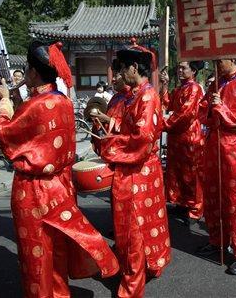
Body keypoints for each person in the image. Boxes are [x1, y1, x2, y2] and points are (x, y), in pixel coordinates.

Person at [0, 41, 119, 298]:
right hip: (60, 186)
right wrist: (17, 102)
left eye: (27, 69)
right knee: (56, 251)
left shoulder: (36, 105)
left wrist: (5, 104)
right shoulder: (60, 101)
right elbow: (34, 131)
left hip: (34, 190)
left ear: (34, 73)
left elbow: (6, 134)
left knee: (36, 255)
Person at [100, 48, 170, 297]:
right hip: (131, 168)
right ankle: (139, 268)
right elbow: (130, 129)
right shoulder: (133, 96)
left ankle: (132, 286)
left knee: (134, 230)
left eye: (122, 68)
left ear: (134, 69)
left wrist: (109, 143)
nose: (118, 73)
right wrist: (112, 127)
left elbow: (141, 140)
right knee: (132, 227)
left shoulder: (148, 97)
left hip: (139, 171)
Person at [196, 59, 236, 275]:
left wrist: (222, 108)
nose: (216, 64)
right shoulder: (217, 84)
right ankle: (218, 241)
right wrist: (210, 106)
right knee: (214, 197)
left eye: (219, 60)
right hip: (214, 147)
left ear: (232, 58)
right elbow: (202, 112)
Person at [160, 61, 205, 223]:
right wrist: (164, 85)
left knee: (191, 174)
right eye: (178, 67)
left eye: (183, 68)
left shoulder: (194, 88)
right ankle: (182, 203)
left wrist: (163, 125)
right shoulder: (180, 88)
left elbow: (185, 114)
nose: (179, 70)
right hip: (176, 137)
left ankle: (196, 208)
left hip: (189, 137)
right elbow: (167, 104)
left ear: (193, 70)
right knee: (178, 172)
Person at [90, 59, 129, 156]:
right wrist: (97, 119)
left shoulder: (132, 97)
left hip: (123, 151)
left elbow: (131, 129)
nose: (113, 79)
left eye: (116, 75)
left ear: (126, 74)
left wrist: (107, 119)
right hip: (110, 147)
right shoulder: (115, 97)